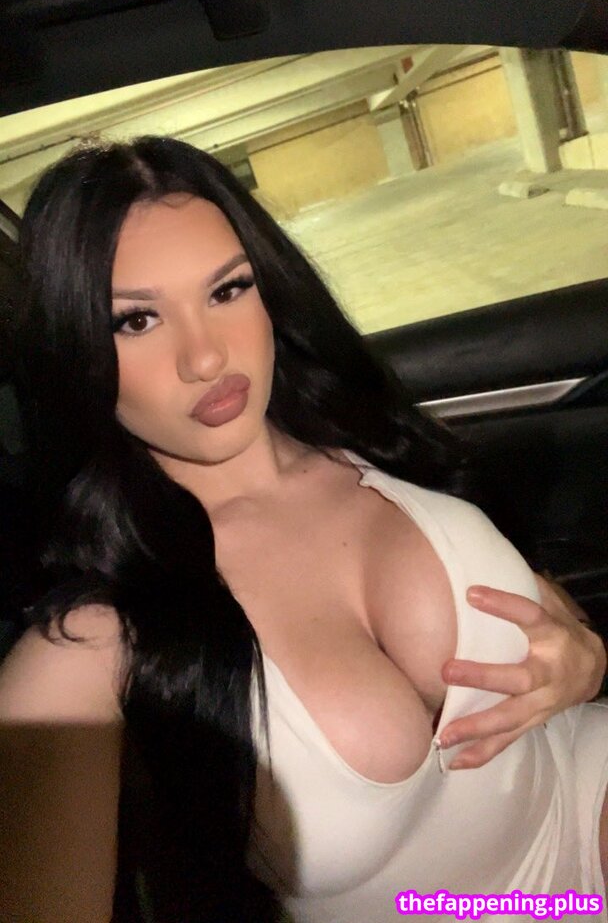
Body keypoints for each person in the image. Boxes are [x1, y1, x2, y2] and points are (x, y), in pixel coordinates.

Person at [0, 136, 605, 923]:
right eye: (137, 320)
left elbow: (544, 612)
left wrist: (584, 659)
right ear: (75, 352)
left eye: (227, 290)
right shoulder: (84, 654)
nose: (206, 356)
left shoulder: (372, 439)